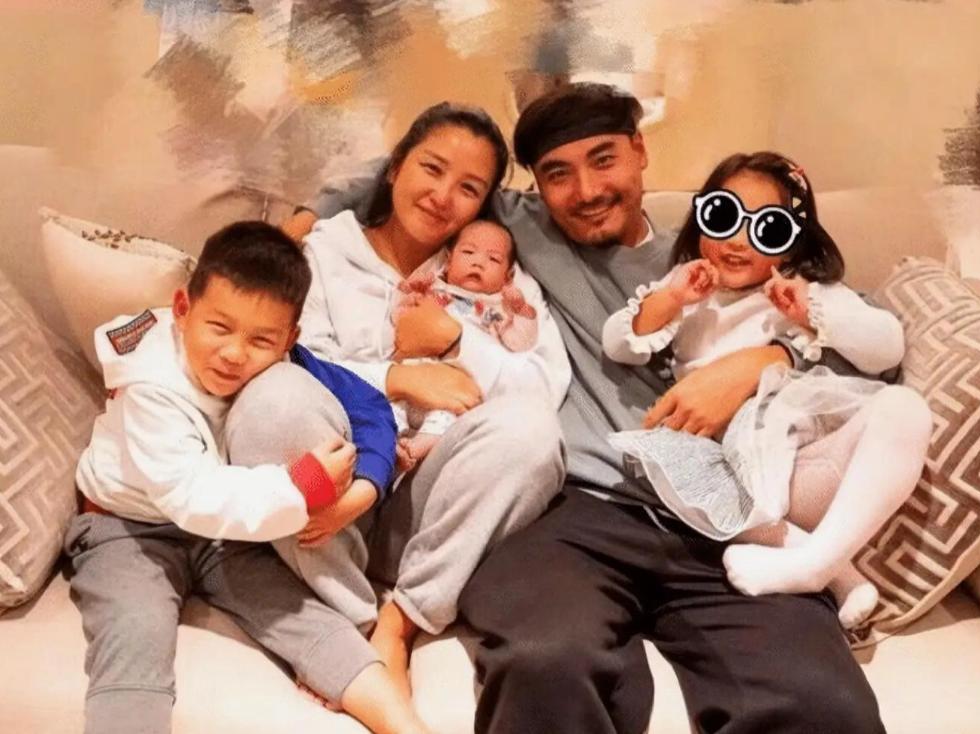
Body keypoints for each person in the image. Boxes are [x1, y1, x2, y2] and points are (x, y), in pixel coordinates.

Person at [292, 83, 890, 733]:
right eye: (557, 174)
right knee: (542, 661)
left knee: (823, 702)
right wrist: (305, 219)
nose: (585, 191)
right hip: (571, 514)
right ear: (537, 186)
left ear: (639, 151)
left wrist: (765, 360)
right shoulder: (525, 232)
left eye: (604, 159)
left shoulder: (726, 250)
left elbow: (867, 349)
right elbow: (417, 175)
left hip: (725, 523)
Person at [230, 101, 569, 697]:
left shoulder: (493, 273)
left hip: (431, 505)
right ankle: (349, 617)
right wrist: (396, 378)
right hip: (332, 494)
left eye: (468, 188)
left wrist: (457, 341)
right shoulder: (322, 253)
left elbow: (544, 386)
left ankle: (401, 620)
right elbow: (279, 355)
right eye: (431, 169)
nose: (442, 196)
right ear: (394, 169)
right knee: (273, 398)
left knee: (532, 429)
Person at [68, 221, 430, 734]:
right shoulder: (151, 382)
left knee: (305, 617)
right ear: (183, 309)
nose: (235, 353)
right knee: (135, 631)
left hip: (227, 536)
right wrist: (302, 485)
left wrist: (364, 485)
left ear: (289, 339)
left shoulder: (284, 358)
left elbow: (368, 404)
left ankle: (406, 725)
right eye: (219, 328)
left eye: (261, 339)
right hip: (128, 527)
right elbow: (189, 494)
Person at [602, 150, 932, 627]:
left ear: (793, 245)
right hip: (736, 478)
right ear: (699, 220)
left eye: (768, 229)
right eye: (723, 217)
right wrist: (672, 297)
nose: (738, 241)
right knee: (663, 466)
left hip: (811, 465)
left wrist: (812, 314)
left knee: (906, 408)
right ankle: (833, 571)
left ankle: (819, 562)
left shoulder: (806, 292)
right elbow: (617, 343)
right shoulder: (690, 293)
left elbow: (887, 348)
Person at [392, 219, 539, 466]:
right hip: (409, 378)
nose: (478, 262)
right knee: (386, 402)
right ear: (448, 261)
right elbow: (398, 321)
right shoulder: (432, 289)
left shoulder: (495, 310)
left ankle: (416, 448)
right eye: (468, 252)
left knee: (451, 415)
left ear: (508, 277)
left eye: (493, 259)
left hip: (452, 390)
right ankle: (388, 439)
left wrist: (522, 310)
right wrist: (410, 292)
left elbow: (520, 342)